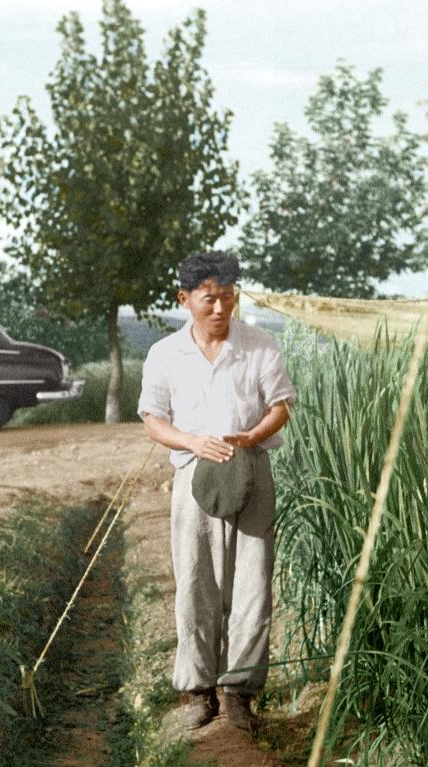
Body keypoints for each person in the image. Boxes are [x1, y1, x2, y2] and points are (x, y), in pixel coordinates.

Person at [137, 251, 296, 733]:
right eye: (210, 299)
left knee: (252, 586)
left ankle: (239, 696)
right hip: (193, 477)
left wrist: (249, 436)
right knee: (195, 584)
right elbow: (153, 420)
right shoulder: (165, 353)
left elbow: (281, 406)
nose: (221, 309)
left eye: (229, 297)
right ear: (185, 300)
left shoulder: (260, 345)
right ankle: (197, 691)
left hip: (251, 472)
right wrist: (192, 441)